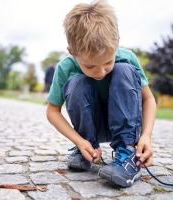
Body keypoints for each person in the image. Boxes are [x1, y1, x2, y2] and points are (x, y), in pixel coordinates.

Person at [46, 0, 156, 188]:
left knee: (123, 71)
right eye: (89, 65)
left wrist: (146, 136)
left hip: (125, 125)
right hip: (90, 127)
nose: (100, 72)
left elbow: (148, 99)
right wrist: (79, 141)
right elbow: (52, 111)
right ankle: (87, 148)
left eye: (107, 62)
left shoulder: (126, 57)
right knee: (77, 83)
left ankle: (127, 153)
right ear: (72, 52)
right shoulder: (65, 67)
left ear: (116, 45)